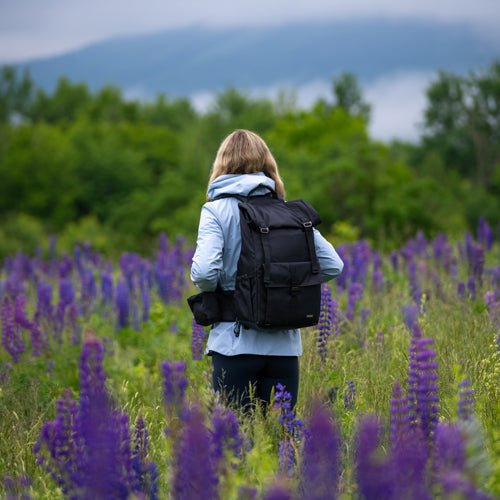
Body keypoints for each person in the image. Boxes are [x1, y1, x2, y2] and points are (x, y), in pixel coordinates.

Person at [190, 129, 343, 410]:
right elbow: (334, 264)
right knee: (279, 439)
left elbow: (203, 273)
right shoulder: (289, 212)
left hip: (233, 344)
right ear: (266, 163)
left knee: (235, 442)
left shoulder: (216, 210)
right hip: (284, 348)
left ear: (222, 164)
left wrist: (229, 292)